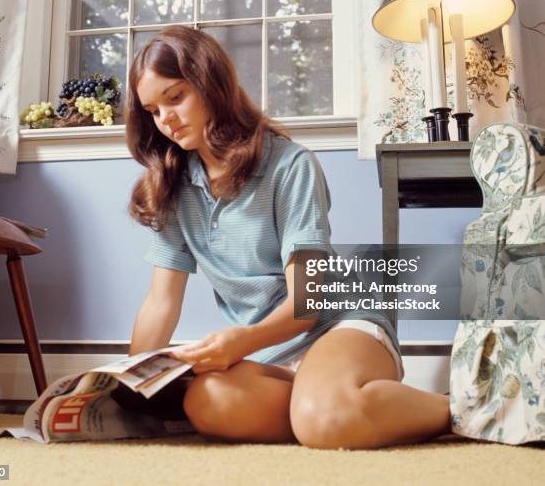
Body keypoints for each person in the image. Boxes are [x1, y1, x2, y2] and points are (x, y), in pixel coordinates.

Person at [124, 25, 450, 449]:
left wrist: (238, 341)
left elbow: (305, 306)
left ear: (211, 85)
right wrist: (126, 385)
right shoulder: (173, 186)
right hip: (268, 355)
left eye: (175, 97)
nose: (165, 119)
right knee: (207, 403)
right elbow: (160, 302)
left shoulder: (290, 165)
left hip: (337, 326)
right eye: (152, 110)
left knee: (326, 420)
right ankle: (321, 407)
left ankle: (456, 407)